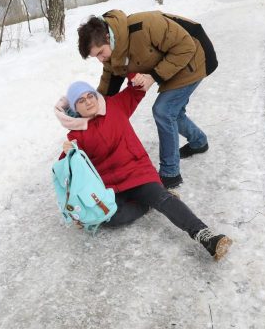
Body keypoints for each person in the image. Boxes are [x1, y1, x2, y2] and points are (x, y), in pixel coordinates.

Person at [54, 78, 232, 261]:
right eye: (81, 101)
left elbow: (137, 88)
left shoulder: (115, 106)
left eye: (90, 96)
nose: (88, 102)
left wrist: (135, 77)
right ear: (76, 109)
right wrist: (67, 153)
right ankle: (146, 204)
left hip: (137, 173)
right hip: (111, 186)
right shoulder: (75, 135)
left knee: (163, 199)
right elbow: (67, 170)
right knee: (109, 217)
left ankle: (205, 235)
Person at [77, 10, 217, 189]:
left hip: (195, 56)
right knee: (174, 111)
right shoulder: (111, 52)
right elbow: (109, 82)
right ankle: (199, 142)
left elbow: (185, 47)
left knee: (164, 111)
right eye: (95, 56)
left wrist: (153, 77)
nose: (100, 59)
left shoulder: (145, 25)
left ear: (107, 36)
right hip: (172, 62)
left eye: (100, 53)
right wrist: (94, 107)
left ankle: (170, 174)